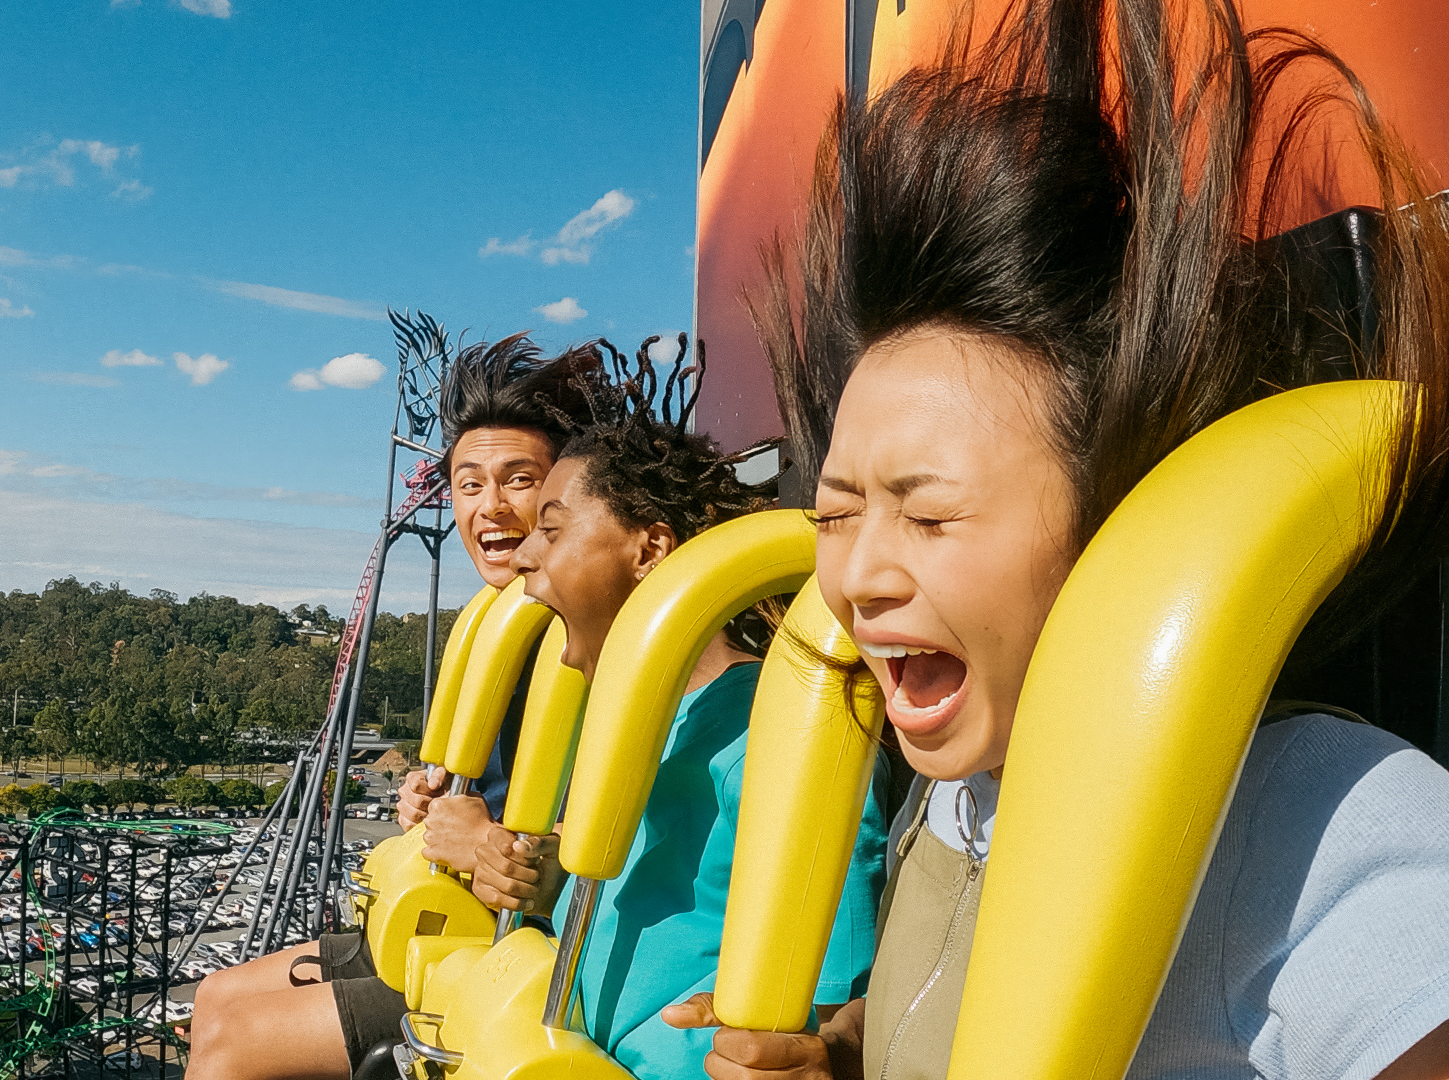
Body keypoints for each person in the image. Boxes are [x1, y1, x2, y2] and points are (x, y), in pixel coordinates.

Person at [663, 0, 1449, 1076]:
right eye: (837, 516)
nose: (857, 580)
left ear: (1120, 524)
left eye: (930, 515)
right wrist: (841, 1055)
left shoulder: (1312, 812)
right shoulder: (949, 793)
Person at [468, 340, 893, 1080]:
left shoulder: (780, 725)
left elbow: (837, 1008)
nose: (526, 556)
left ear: (651, 548)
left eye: (554, 527)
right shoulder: (635, 723)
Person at [186, 332, 606, 1080]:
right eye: (470, 485)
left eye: (519, 480)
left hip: (510, 951)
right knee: (215, 999)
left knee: (235, 1048)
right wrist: (440, 795)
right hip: (453, 917)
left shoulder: (580, 642)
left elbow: (602, 829)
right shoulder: (499, 630)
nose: (492, 507)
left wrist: (492, 843)